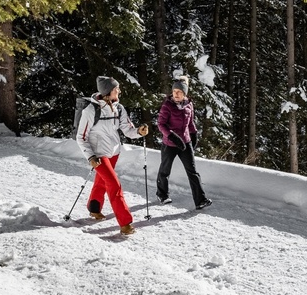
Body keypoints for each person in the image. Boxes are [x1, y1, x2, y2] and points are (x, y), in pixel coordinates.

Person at [76, 76, 149, 235]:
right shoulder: (90, 111)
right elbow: (81, 137)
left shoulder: (119, 108)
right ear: (108, 92)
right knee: (114, 184)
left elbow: (127, 129)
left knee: (102, 182)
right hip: (99, 155)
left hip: (114, 151)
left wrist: (138, 131)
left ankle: (94, 207)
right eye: (116, 89)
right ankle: (125, 223)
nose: (119, 91)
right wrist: (91, 157)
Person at [156, 75, 212, 210]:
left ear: (184, 93)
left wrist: (194, 134)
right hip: (170, 144)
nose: (176, 94)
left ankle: (200, 200)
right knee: (165, 170)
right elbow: (161, 124)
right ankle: (162, 194)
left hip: (185, 142)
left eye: (179, 92)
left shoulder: (189, 105)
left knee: (192, 171)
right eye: (174, 91)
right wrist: (171, 136)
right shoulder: (167, 105)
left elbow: (190, 123)